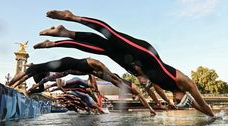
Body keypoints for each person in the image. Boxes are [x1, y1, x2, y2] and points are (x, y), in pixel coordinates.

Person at [34, 10, 215, 117]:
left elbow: (194, 105)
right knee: (111, 35)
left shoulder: (170, 90)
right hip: (145, 54)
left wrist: (211, 118)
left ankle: (63, 35)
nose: (175, 102)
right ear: (183, 95)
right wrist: (212, 113)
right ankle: (71, 17)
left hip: (134, 65)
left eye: (176, 103)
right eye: (178, 101)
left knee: (101, 47)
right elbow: (201, 102)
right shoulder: (184, 83)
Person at [8, 57, 156, 115]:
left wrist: (149, 108)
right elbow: (54, 79)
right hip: (70, 69)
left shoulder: (94, 73)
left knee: (39, 74)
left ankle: (17, 85)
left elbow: (109, 79)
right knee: (39, 74)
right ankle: (13, 85)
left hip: (72, 72)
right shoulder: (94, 69)